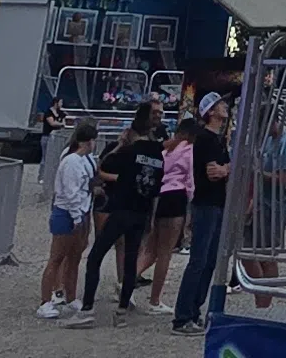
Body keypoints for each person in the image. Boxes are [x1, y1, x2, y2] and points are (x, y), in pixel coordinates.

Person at [73, 102, 163, 326]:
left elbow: (103, 167)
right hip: (142, 211)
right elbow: (156, 187)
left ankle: (87, 309)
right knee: (131, 260)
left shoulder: (128, 151)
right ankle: (122, 311)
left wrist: (120, 146)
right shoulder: (158, 154)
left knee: (95, 257)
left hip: (122, 208)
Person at [168, 92, 235, 333]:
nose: (224, 107)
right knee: (199, 260)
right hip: (206, 203)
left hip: (215, 203)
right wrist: (228, 168)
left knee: (208, 261)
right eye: (219, 105)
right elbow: (213, 173)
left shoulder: (217, 140)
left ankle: (194, 311)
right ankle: (183, 315)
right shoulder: (206, 140)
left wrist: (226, 168)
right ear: (210, 112)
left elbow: (225, 168)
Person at [37, 117, 98, 319]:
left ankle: (71, 296)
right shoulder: (71, 161)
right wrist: (77, 218)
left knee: (74, 258)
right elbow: (71, 193)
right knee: (57, 258)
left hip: (80, 211)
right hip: (67, 213)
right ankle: (45, 300)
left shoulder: (83, 161)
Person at [144, 104, 196, 307]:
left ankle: (126, 283)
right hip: (178, 196)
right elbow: (190, 179)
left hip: (162, 194)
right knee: (165, 251)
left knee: (151, 248)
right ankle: (155, 300)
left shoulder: (167, 150)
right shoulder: (190, 151)